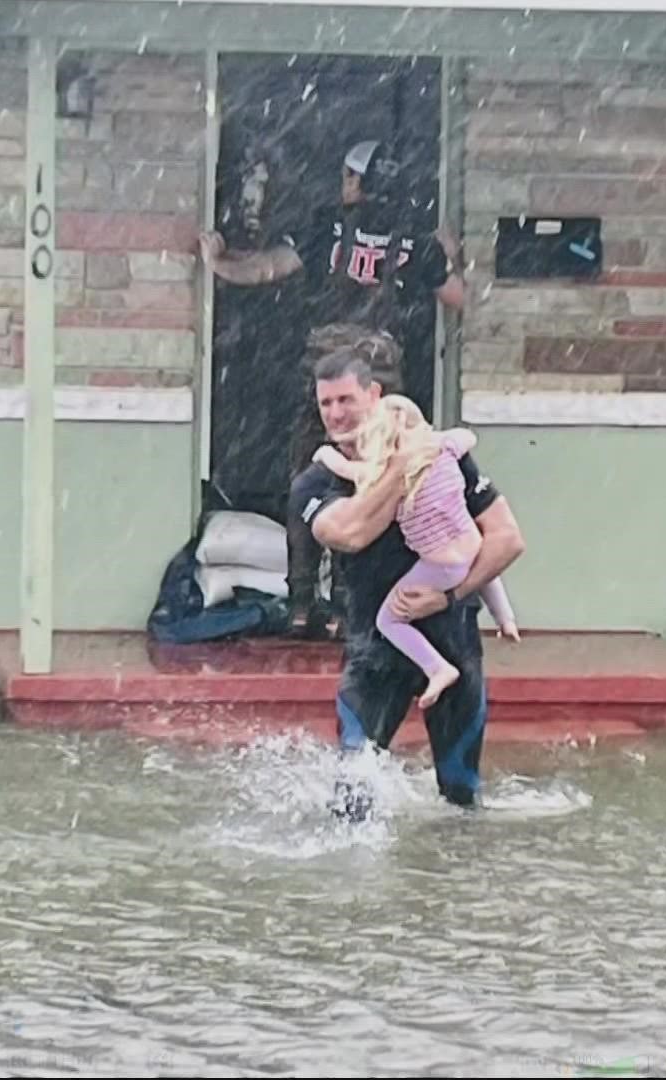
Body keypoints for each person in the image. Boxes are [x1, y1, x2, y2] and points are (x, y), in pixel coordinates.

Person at [200, 138, 466, 636]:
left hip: (324, 374)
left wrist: (218, 263)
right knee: (372, 488)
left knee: (309, 481)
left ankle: (302, 604)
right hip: (380, 381)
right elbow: (457, 296)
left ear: (357, 181)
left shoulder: (326, 225)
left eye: (348, 175)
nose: (343, 183)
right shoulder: (416, 237)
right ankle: (352, 605)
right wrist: (449, 256)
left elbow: (267, 267)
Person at [288, 347, 527, 814]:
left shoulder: (442, 455)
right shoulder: (316, 483)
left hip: (452, 644)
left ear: (375, 395)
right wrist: (401, 467)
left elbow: (506, 538)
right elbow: (352, 533)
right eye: (325, 404)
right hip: (376, 652)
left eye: (346, 400)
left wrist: (448, 596)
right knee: (351, 802)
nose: (335, 414)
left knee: (461, 805)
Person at [311, 394, 519, 708]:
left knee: (389, 621)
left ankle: (438, 668)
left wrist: (326, 453)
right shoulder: (445, 448)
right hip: (470, 546)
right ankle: (506, 619)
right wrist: (436, 439)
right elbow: (468, 436)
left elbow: (348, 470)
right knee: (484, 563)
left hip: (441, 565)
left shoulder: (389, 472)